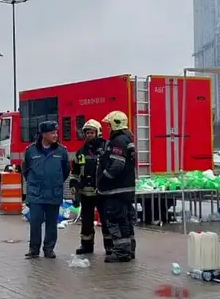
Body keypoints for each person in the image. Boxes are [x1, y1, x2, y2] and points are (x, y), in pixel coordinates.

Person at [22, 121, 70, 259]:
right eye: (52, 133)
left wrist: (55, 182)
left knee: (51, 223)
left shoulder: (61, 151)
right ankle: (34, 249)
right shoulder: (31, 151)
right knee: (35, 221)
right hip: (36, 193)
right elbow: (26, 170)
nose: (55, 135)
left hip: (54, 192)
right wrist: (34, 183)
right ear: (43, 134)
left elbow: (66, 171)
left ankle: (49, 249)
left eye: (56, 132)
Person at [97, 111, 137, 263]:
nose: (108, 128)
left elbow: (117, 165)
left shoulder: (118, 141)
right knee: (126, 221)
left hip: (116, 190)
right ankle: (129, 249)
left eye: (109, 125)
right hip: (126, 189)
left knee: (116, 221)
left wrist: (104, 179)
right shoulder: (127, 139)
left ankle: (121, 252)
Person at [70, 119, 113, 255]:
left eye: (92, 132)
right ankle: (86, 246)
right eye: (87, 133)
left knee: (106, 221)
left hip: (102, 193)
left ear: (98, 133)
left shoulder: (107, 149)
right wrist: (74, 186)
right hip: (86, 194)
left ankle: (110, 247)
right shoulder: (81, 152)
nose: (89, 135)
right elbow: (75, 172)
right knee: (86, 222)